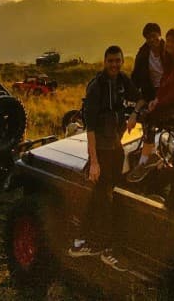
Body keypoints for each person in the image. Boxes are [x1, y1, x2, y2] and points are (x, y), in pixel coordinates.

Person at [67, 45, 145, 272]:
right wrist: (94, 161)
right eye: (111, 61)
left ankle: (90, 240)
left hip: (116, 146)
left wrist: (134, 114)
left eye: (118, 61)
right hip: (100, 148)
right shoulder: (96, 86)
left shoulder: (123, 81)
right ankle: (101, 246)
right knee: (103, 196)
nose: (114, 65)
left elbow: (139, 99)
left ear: (122, 61)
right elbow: (90, 128)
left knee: (111, 192)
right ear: (104, 61)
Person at [137, 28, 174, 209]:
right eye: (168, 41)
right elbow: (165, 85)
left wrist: (159, 103)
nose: (169, 45)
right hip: (172, 105)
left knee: (148, 116)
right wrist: (156, 99)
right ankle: (149, 155)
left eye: (173, 42)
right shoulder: (171, 62)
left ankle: (147, 157)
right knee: (148, 113)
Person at [128, 22, 166, 181]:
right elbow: (136, 77)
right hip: (151, 92)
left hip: (167, 91)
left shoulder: (168, 50)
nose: (152, 39)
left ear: (159, 34)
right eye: (148, 37)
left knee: (150, 117)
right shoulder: (143, 54)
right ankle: (149, 155)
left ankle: (145, 161)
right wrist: (129, 93)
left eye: (154, 36)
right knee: (145, 118)